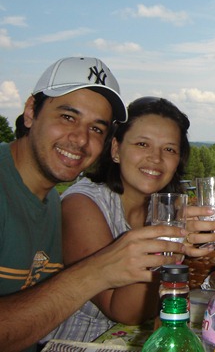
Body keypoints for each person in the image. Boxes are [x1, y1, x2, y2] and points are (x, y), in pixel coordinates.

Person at [0, 57, 186, 352]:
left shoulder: (47, 202)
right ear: (31, 112)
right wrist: (100, 269)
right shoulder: (77, 202)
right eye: (68, 117)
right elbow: (119, 307)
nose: (80, 139)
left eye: (97, 128)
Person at [43, 97, 215, 342]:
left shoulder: (164, 208)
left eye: (169, 149)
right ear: (116, 150)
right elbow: (123, 311)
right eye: (142, 144)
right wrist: (167, 240)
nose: (156, 158)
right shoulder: (82, 204)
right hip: (83, 343)